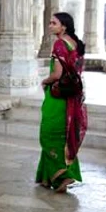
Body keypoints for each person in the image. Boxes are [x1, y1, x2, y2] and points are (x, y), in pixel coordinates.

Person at [36, 12, 88, 193]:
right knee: (64, 134)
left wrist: (45, 81)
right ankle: (46, 177)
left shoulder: (59, 44)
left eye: (53, 23)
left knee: (48, 134)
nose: (50, 25)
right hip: (72, 96)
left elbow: (57, 74)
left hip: (58, 95)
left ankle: (63, 175)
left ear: (63, 26)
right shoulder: (77, 44)